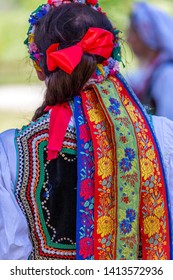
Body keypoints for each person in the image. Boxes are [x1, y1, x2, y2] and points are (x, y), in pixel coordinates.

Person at [0, 0, 173, 260]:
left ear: (40, 67)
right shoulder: (163, 136)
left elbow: (10, 258)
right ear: (111, 58)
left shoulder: (11, 150)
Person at [126, 1, 173, 119]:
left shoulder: (167, 74)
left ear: (147, 34)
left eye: (133, 32)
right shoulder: (146, 72)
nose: (128, 39)